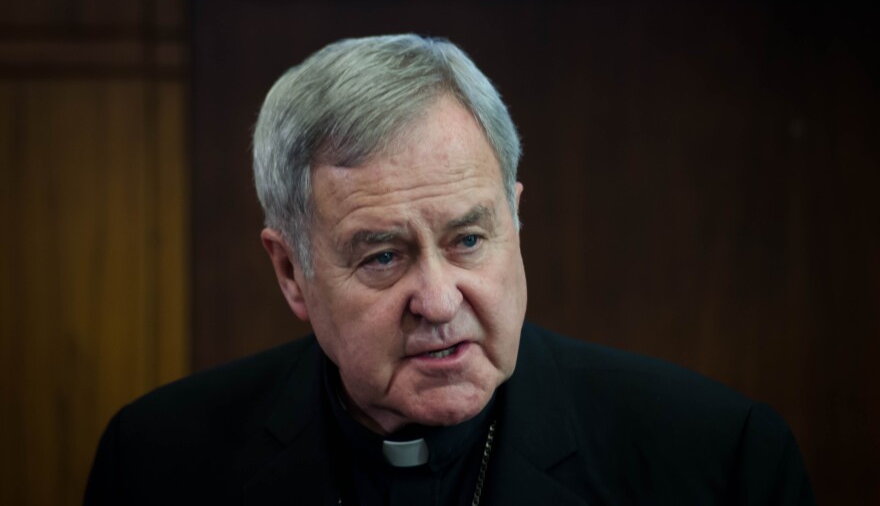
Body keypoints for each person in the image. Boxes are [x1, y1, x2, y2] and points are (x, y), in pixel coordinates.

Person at [85, 34, 815, 505]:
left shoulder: (720, 462)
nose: (437, 300)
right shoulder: (156, 465)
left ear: (515, 219)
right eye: (382, 256)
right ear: (290, 272)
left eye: (468, 239)